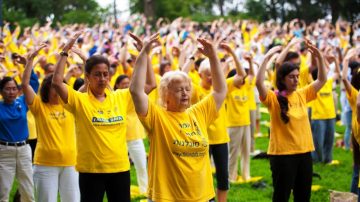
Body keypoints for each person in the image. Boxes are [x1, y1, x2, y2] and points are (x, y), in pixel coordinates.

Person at [51, 32, 154, 202]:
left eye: (105, 74)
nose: (102, 78)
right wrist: (65, 52)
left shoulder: (121, 97)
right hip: (91, 172)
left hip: (120, 169)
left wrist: (145, 54)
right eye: (97, 74)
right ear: (87, 77)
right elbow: (56, 82)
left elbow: (150, 84)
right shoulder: (80, 100)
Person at [129, 33, 227, 201]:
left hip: (202, 196)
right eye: (178, 89)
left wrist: (213, 57)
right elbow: (136, 91)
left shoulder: (199, 113)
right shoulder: (157, 117)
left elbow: (220, 91)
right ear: (165, 95)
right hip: (167, 197)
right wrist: (143, 54)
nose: (185, 93)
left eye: (187, 89)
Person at [256, 40, 327, 202]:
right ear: (282, 79)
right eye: (291, 77)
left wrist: (320, 59)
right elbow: (259, 83)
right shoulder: (274, 98)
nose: (296, 80)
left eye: (297, 77)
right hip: (283, 156)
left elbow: (322, 80)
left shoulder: (302, 94)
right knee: (281, 196)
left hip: (304, 153)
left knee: (303, 196)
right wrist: (266, 58)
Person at [22, 44, 80, 202]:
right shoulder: (39, 106)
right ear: (47, 89)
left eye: (61, 86)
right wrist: (30, 59)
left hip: (71, 162)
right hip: (45, 164)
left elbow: (88, 85)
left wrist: (82, 58)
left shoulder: (71, 104)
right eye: (55, 87)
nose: (59, 89)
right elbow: (25, 85)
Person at [0, 56, 38, 202]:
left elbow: (33, 85)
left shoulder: (22, 102)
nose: (11, 92)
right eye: (7, 89)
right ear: (2, 91)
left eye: (14, 88)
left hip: (24, 149)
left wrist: (27, 64)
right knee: (3, 191)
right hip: (4, 152)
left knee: (28, 190)